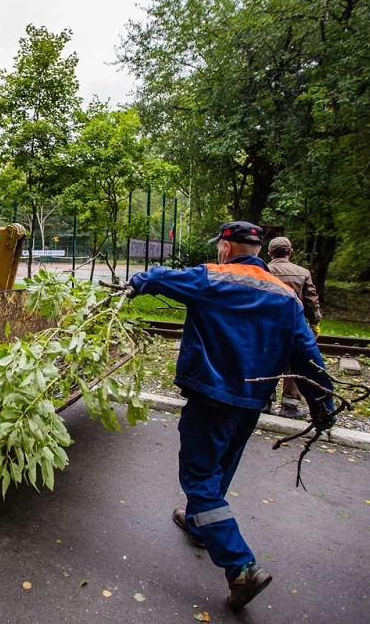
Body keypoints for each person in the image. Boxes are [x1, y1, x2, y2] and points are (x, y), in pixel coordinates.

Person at [126, 221, 335, 611]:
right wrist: (323, 407)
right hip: (252, 402)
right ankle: (199, 524)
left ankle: (241, 568)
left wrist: (138, 281)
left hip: (212, 395)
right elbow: (308, 358)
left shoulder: (213, 278)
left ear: (226, 246)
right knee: (221, 468)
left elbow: (164, 278)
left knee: (199, 477)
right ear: (258, 250)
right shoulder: (286, 297)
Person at [266, 236, 323, 418]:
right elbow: (311, 301)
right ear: (290, 252)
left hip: (266, 326)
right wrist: (314, 323)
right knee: (293, 365)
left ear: (269, 253)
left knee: (267, 361)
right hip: (294, 326)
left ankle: (264, 402)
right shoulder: (303, 272)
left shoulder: (263, 270)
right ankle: (289, 406)